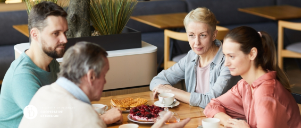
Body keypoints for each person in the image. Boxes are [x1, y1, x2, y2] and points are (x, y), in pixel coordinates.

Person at [19, 42, 190, 128]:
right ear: (91, 76)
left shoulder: (44, 93)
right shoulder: (84, 116)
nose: (106, 81)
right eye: (104, 74)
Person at [203, 26, 301, 128]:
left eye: (232, 56)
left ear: (252, 54)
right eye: (225, 56)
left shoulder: (266, 94)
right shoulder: (245, 85)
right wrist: (228, 121)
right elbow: (212, 105)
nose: (226, 63)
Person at [150, 7, 241, 108]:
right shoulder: (191, 56)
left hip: (223, 120)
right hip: (195, 115)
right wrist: (165, 89)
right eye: (191, 35)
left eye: (203, 35)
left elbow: (210, 101)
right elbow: (157, 80)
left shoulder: (227, 62)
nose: (197, 42)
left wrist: (170, 91)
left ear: (214, 35)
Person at [0, 1, 68, 128]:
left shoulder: (52, 64)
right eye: (56, 33)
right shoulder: (22, 76)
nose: (64, 39)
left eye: (65, 32)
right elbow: (45, 122)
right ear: (35, 35)